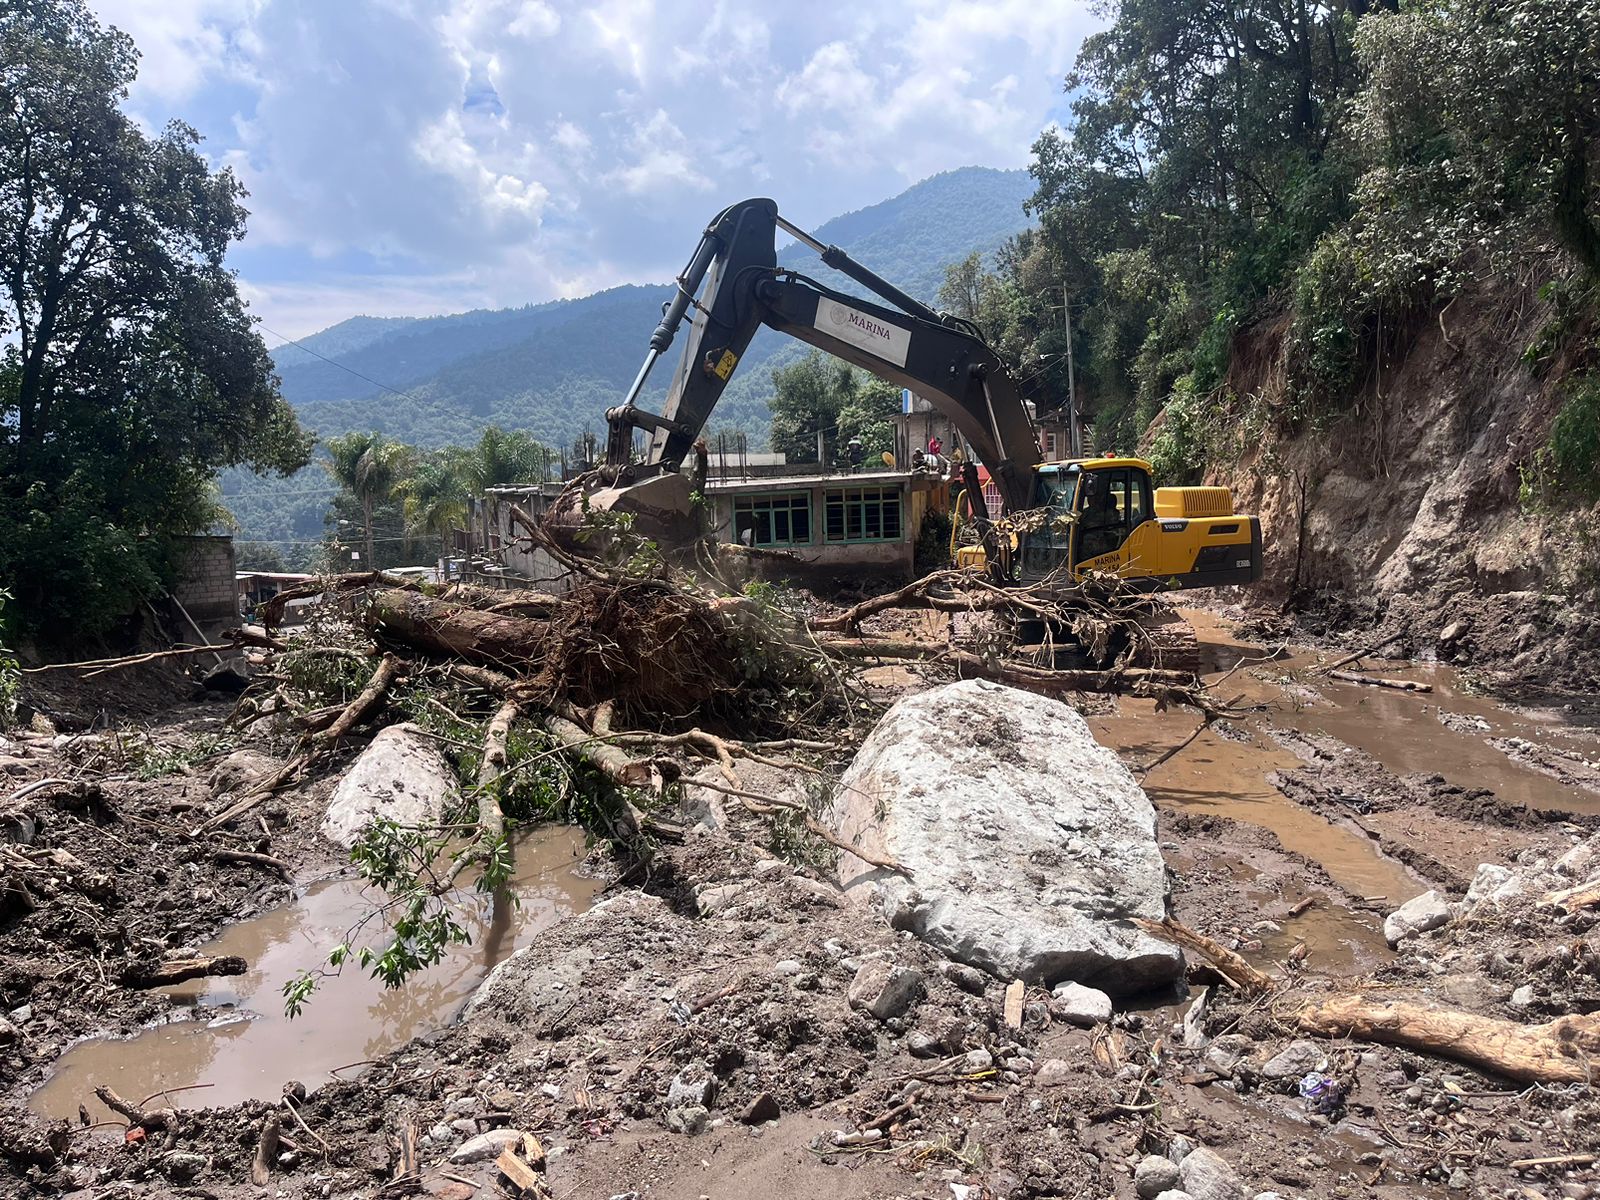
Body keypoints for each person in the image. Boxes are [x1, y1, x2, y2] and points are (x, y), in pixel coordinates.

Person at [1078, 481, 1123, 561]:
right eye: (1089, 497)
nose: (1090, 499)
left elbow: (1110, 529)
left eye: (1093, 497)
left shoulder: (1109, 513)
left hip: (1101, 544)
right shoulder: (1086, 512)